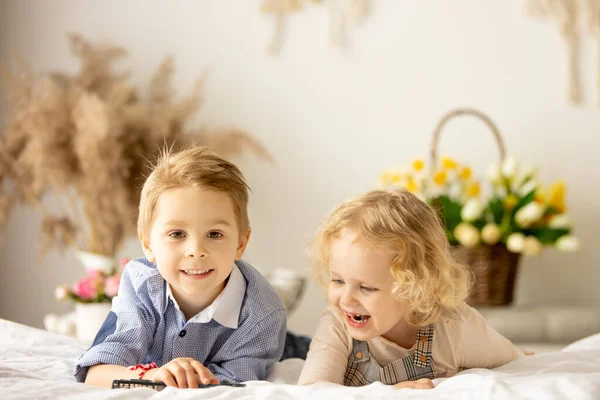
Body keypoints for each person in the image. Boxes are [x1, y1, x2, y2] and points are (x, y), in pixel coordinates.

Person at [74, 146, 286, 388]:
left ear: (241, 243)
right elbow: (96, 372)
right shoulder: (141, 284)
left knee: (297, 347)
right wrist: (152, 376)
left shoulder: (263, 314)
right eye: (177, 233)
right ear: (147, 243)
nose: (196, 250)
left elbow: (231, 387)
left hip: (268, 338)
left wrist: (186, 379)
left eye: (214, 234)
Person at [298, 189, 521, 388]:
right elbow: (313, 390)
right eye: (338, 281)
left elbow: (515, 362)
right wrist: (389, 395)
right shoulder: (337, 323)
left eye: (366, 288)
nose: (346, 300)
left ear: (415, 286)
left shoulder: (453, 327)